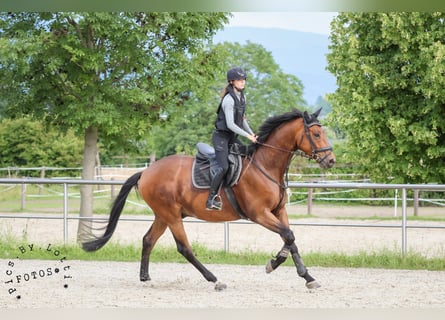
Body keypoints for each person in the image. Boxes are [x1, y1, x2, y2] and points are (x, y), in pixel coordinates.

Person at [206, 67, 257, 210]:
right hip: (221, 137)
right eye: (240, 80)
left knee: (248, 156)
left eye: (244, 80)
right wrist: (247, 136)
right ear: (232, 81)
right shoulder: (228, 100)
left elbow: (242, 120)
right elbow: (230, 124)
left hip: (231, 137)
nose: (243, 82)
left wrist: (252, 134)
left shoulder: (242, 97)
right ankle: (210, 199)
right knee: (224, 167)